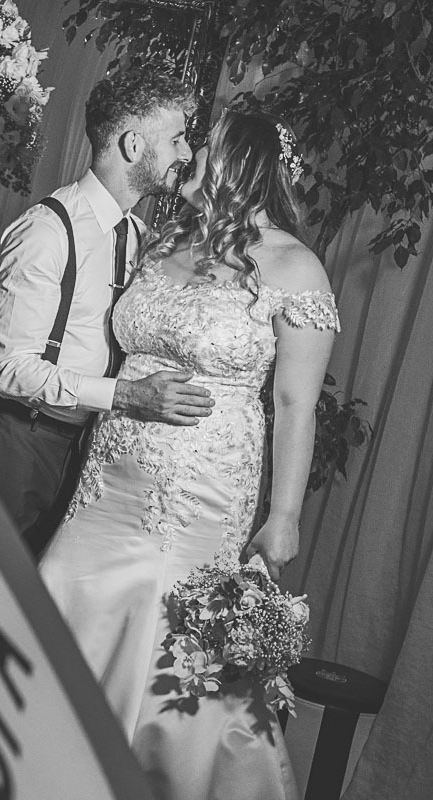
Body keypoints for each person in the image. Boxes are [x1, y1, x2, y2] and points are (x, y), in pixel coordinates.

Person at [39, 110, 339, 800]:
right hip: (109, 480)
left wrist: (284, 516)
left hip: (202, 492)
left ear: (235, 164)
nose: (184, 161)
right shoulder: (166, 239)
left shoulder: (294, 267)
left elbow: (296, 404)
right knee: (68, 593)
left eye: (198, 151)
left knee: (172, 645)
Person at [0, 68, 216, 559]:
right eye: (176, 139)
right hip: (21, 439)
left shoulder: (138, 236)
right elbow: (8, 368)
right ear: (132, 145)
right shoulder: (46, 232)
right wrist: (125, 395)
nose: (187, 153)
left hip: (90, 448)